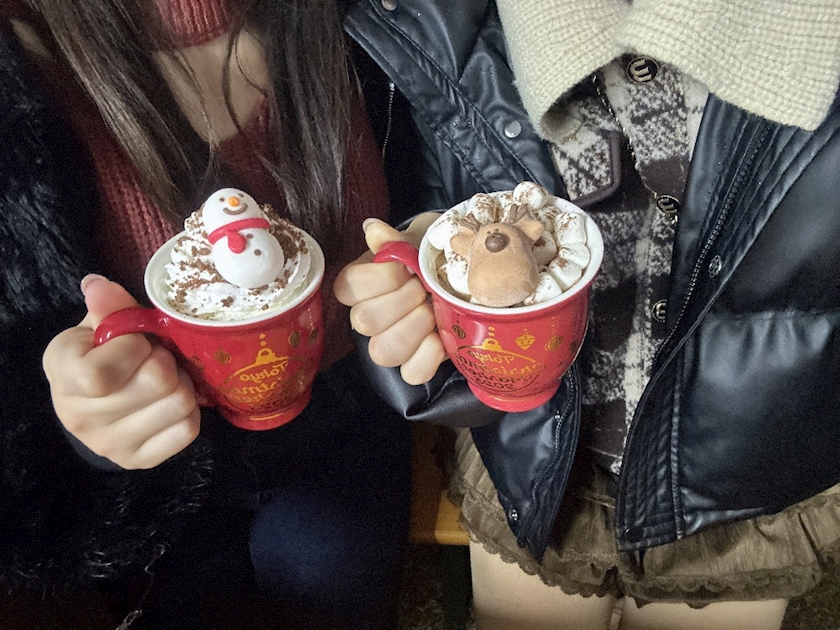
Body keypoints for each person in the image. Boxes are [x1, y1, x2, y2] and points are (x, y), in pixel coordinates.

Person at [336, 0, 840, 628]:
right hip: (537, 464)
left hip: (746, 484)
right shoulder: (441, 11)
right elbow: (431, 179)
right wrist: (427, 271)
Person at [0, 1, 411, 628]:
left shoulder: (378, 17)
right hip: (146, 499)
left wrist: (434, 252)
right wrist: (75, 418)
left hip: (349, 423)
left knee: (331, 565)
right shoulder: (17, 55)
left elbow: (446, 181)